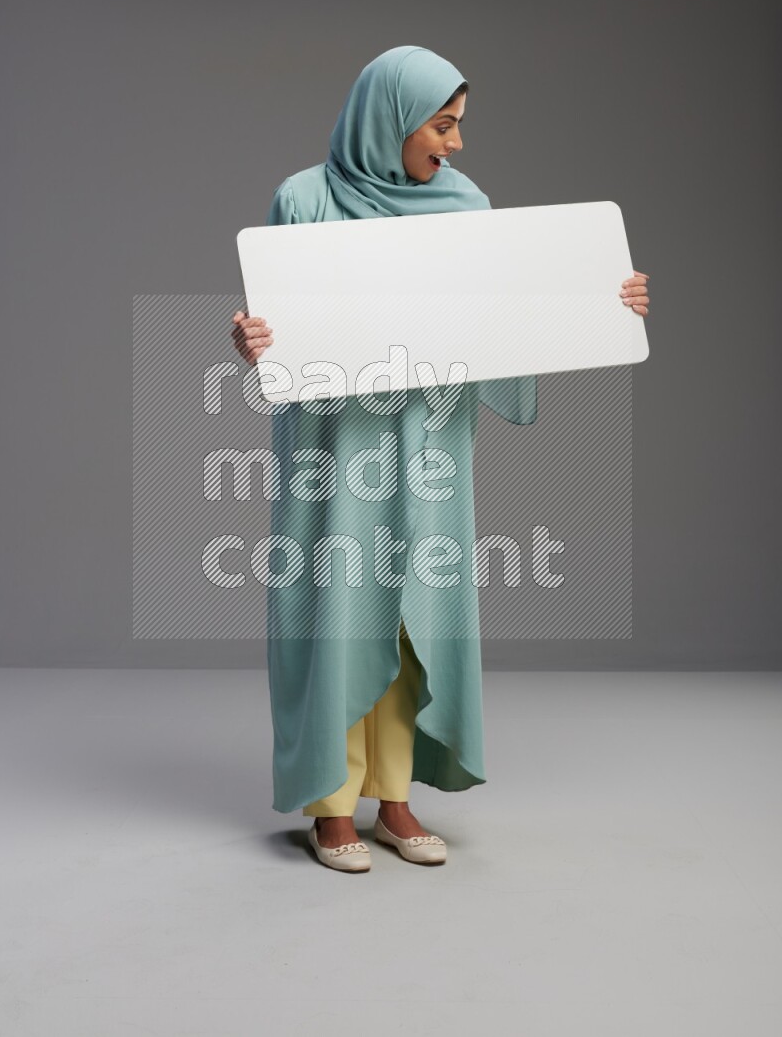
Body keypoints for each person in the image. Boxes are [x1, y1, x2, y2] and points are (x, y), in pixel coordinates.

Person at [232, 46, 650, 873]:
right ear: (390, 120)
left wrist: (606, 300)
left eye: (459, 127)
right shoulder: (304, 199)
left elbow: (510, 318)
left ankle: (394, 798)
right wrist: (246, 341)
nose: (456, 145)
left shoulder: (467, 206)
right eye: (444, 124)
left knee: (413, 614)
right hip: (336, 448)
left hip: (429, 445)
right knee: (337, 608)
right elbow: (272, 327)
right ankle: (330, 807)